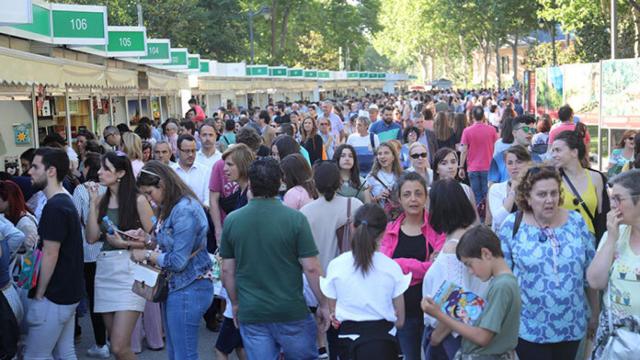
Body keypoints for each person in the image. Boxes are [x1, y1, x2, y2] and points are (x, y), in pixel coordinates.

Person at [220, 158, 330, 359]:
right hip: (291, 311)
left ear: (251, 183)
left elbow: (227, 270)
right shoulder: (296, 219)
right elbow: (312, 268)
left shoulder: (233, 220)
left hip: (252, 312)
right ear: (280, 182)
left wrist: (235, 304)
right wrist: (323, 304)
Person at [497, 165, 598, 360]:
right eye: (542, 194)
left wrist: (595, 313)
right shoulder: (512, 225)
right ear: (527, 197)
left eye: (554, 193)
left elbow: (589, 273)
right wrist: (503, 327)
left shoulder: (576, 222)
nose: (550, 200)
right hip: (528, 328)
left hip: (572, 325)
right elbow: (504, 280)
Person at [131, 161, 214, 359]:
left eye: (150, 193)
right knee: (177, 353)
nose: (150, 200)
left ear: (163, 184)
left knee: (183, 354)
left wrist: (148, 255)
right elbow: (168, 242)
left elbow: (178, 260)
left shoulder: (184, 210)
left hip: (189, 287)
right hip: (180, 287)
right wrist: (147, 239)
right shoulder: (172, 206)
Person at [85, 151, 154, 360]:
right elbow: (91, 238)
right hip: (105, 270)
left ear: (121, 173)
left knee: (118, 346)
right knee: (116, 346)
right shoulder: (101, 201)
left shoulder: (138, 200)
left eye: (106, 169)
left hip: (130, 270)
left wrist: (124, 243)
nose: (99, 172)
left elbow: (155, 238)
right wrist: (92, 203)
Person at [320, 203, 411, 360]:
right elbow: (400, 320)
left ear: (353, 228)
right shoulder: (392, 268)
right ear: (384, 233)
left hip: (348, 343)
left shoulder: (336, 266)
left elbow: (334, 314)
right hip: (385, 342)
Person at [421, 225, 522, 360]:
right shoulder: (501, 282)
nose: (470, 271)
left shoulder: (502, 286)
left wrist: (439, 314)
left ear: (486, 254)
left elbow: (482, 337)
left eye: (469, 264)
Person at [23, 147, 84, 359]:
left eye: (35, 167)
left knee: (35, 354)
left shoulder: (55, 206)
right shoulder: (63, 201)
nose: (29, 171)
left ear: (51, 171)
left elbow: (51, 254)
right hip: (67, 292)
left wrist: (39, 293)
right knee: (64, 352)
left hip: (55, 295)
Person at [380, 172, 446, 360]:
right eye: (407, 194)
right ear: (399, 199)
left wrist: (400, 265)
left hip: (434, 308)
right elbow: (386, 269)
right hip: (403, 310)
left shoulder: (437, 228)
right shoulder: (390, 230)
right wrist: (423, 267)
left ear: (426, 197)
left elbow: (438, 268)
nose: (413, 199)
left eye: (418, 193)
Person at [422, 179, 485, 359]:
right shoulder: (476, 236)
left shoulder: (453, 248)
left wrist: (434, 339)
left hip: (451, 339)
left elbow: (460, 304)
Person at [587, 169, 640, 359]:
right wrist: (611, 239)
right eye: (612, 199)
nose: (613, 206)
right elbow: (595, 281)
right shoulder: (615, 234)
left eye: (619, 199)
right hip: (615, 342)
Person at [71, 152, 110, 358]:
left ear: (88, 169)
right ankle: (114, 338)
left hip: (89, 251)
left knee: (95, 298)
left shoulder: (81, 189)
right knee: (109, 296)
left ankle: (101, 343)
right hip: (110, 249)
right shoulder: (111, 188)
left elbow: (75, 216)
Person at [551, 130, 608, 239]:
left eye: (558, 150)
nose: (553, 155)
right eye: (552, 151)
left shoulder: (596, 178)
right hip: (562, 242)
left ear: (574, 152)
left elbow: (603, 216)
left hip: (589, 243)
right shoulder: (553, 179)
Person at [459, 106, 498, 205]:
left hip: (473, 167)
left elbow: (463, 151)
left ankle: (479, 217)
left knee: (476, 196)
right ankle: (487, 217)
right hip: (488, 167)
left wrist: (461, 167)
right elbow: (496, 147)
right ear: (483, 116)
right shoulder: (492, 130)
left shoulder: (467, 131)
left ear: (472, 116)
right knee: (488, 195)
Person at [487, 145, 532, 231]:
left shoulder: (535, 188)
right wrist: (513, 191)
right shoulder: (496, 189)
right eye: (510, 163)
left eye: (519, 162)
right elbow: (499, 220)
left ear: (528, 163)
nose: (514, 167)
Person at [489, 115, 538, 184]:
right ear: (514, 133)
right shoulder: (499, 158)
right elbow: (492, 188)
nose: (530, 132)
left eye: (533, 130)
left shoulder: (537, 158)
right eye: (525, 129)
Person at [0, 180, 36, 257]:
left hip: (20, 267)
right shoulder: (6, 217)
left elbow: (31, 254)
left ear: (9, 199)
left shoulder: (25, 223)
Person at [172, 134, 210, 206]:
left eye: (193, 151)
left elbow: (207, 198)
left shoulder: (205, 171)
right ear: (178, 151)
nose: (190, 154)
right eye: (187, 151)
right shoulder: (171, 171)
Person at [366, 142, 403, 207]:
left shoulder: (401, 175)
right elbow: (366, 202)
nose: (382, 156)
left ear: (393, 157)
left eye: (386, 153)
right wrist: (377, 198)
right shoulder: (371, 177)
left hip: (399, 214)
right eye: (379, 154)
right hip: (380, 214)